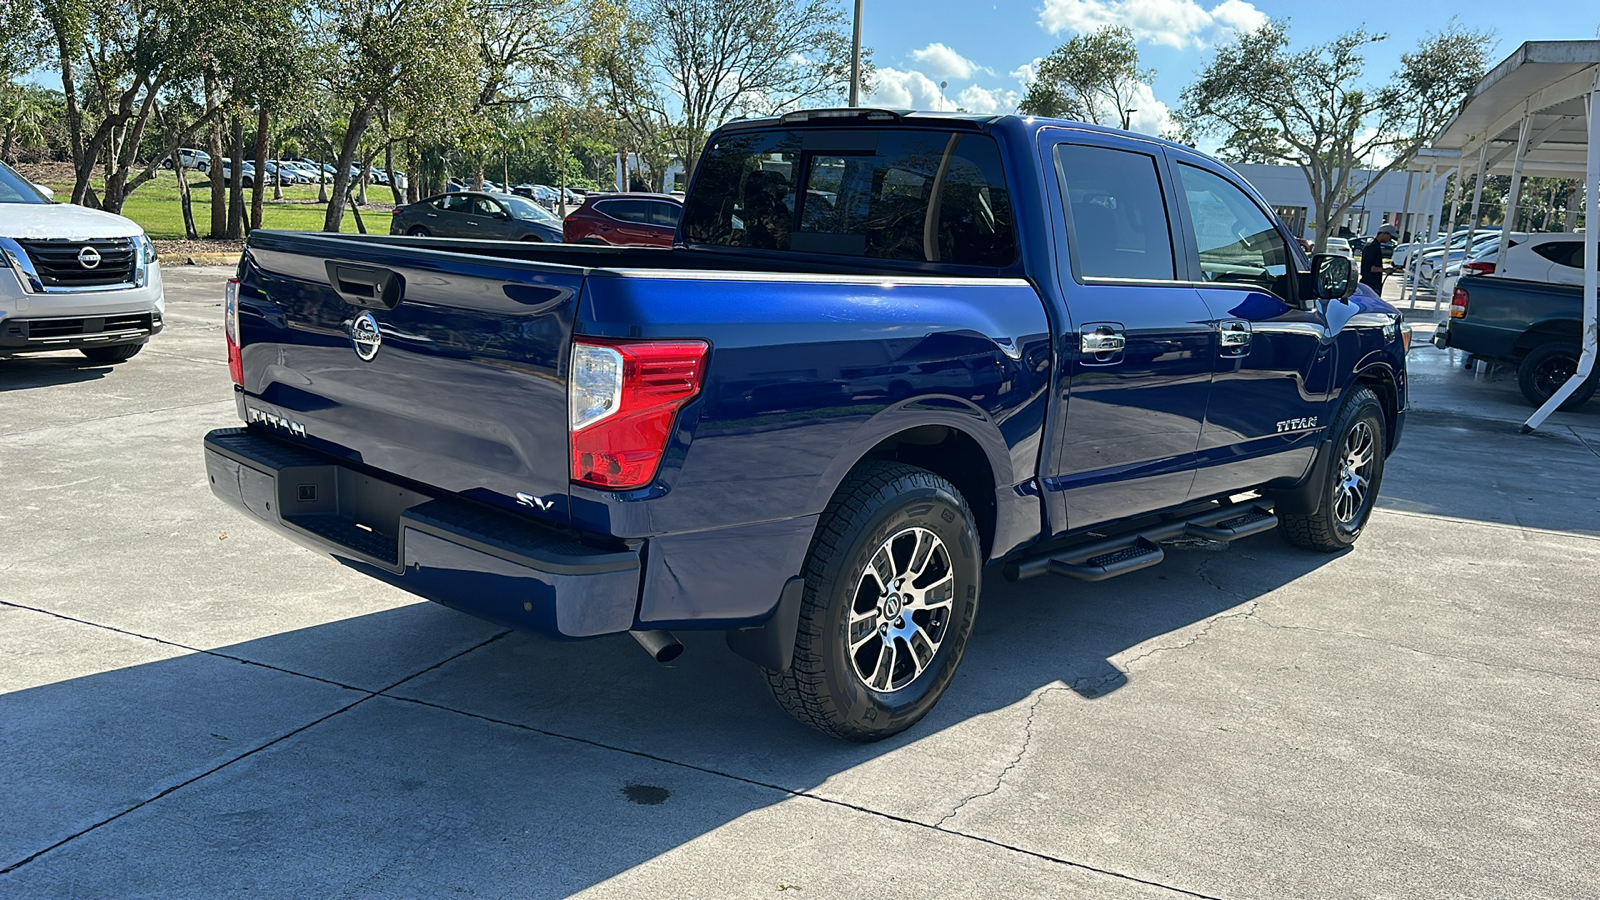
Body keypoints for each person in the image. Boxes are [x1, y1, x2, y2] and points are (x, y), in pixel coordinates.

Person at [1361, 226, 1393, 294]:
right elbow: (1369, 268)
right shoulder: (1371, 247)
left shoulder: (1376, 246)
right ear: (1384, 234)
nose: (1390, 239)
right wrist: (1384, 270)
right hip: (1369, 285)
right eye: (1390, 236)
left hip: (1374, 284)